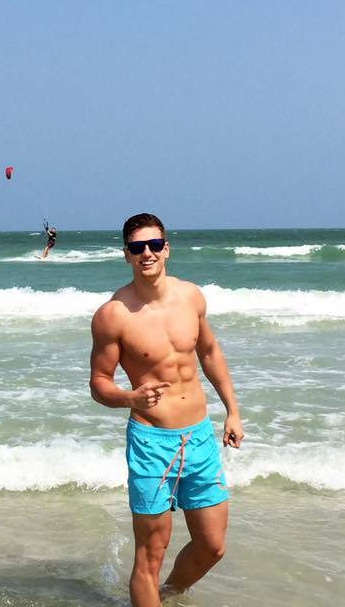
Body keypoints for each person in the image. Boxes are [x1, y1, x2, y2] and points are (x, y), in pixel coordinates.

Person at [90, 212, 243, 607]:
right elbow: (99, 384)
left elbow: (209, 352)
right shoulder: (113, 315)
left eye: (154, 245)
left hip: (199, 436)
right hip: (151, 442)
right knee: (150, 556)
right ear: (126, 254)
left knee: (212, 546)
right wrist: (130, 398)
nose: (147, 253)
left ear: (166, 249)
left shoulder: (191, 296)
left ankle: (168, 596)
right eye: (137, 247)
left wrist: (232, 410)